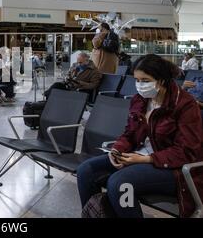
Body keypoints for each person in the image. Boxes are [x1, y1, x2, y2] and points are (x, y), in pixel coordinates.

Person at [77, 54, 203, 218]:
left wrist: (146, 159)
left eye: (145, 80)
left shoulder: (185, 104)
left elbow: (187, 151)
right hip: (139, 156)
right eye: (137, 80)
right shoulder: (140, 100)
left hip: (173, 168)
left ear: (162, 80)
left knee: (120, 185)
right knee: (86, 170)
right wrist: (117, 149)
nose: (139, 85)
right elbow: (130, 133)